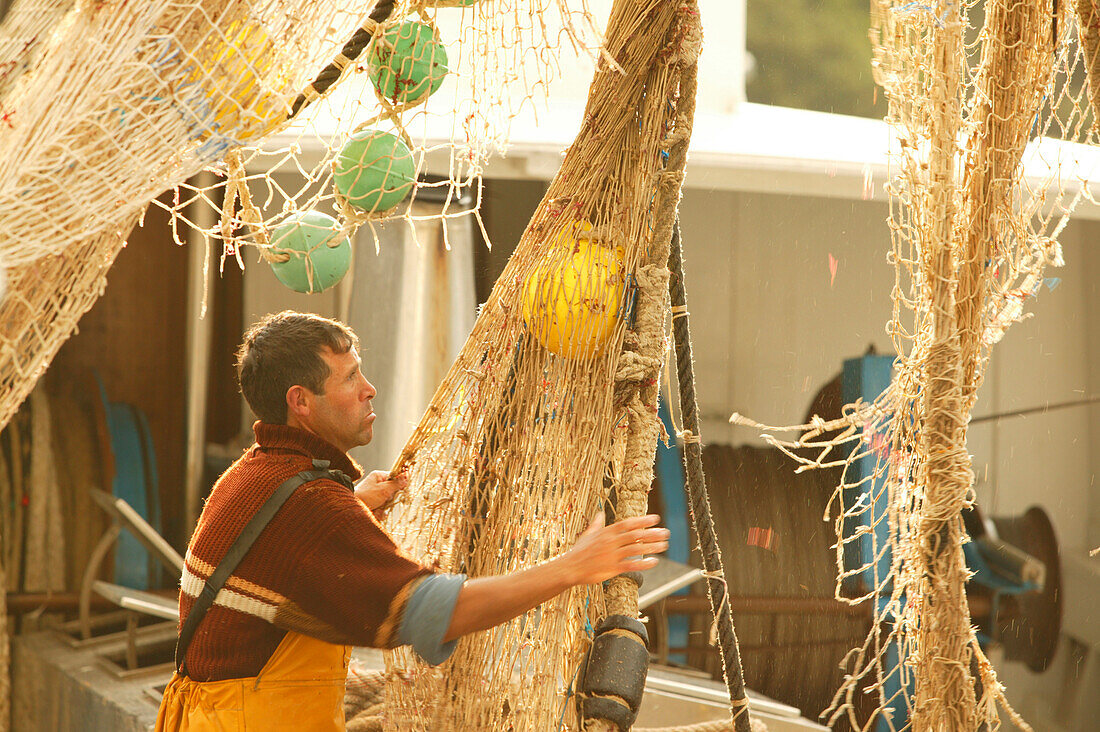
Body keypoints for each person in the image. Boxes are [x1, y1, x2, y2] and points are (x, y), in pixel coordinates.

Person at [155, 310, 668, 731]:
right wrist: (574, 566)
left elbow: (279, 552)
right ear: (300, 403)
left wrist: (354, 500)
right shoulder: (312, 508)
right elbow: (433, 614)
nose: (370, 389)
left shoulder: (255, 473)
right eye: (351, 377)